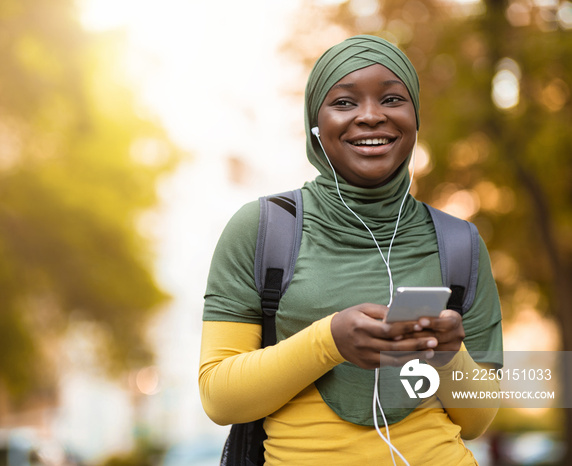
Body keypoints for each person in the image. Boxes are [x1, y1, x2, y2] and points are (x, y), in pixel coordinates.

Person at [198, 35, 503, 465]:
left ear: (415, 117)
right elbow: (219, 398)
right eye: (344, 102)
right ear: (315, 125)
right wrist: (330, 341)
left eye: (393, 98)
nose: (371, 116)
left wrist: (450, 357)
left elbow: (476, 421)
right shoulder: (263, 230)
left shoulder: (460, 244)